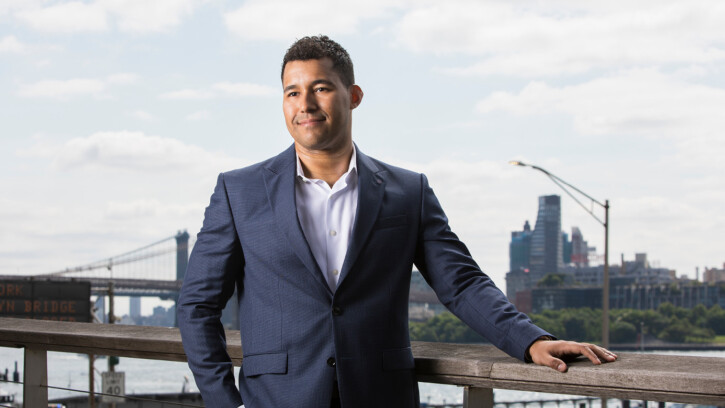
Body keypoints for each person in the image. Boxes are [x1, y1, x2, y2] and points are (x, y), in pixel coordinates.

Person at [177, 35, 617, 408]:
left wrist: (531, 340)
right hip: (276, 398)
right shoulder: (240, 191)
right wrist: (224, 402)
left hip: (382, 395)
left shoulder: (409, 191)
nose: (305, 104)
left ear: (353, 96)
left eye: (320, 88)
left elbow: (461, 284)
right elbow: (198, 306)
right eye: (292, 92)